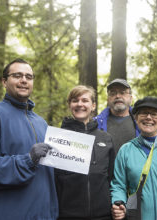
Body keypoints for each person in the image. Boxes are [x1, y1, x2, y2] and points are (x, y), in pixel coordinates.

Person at [0, 58, 58, 220]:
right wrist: (28, 160)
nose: (24, 80)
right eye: (17, 75)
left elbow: (48, 175)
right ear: (4, 81)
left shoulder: (42, 123)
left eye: (28, 77)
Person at [110, 96, 157, 220]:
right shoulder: (126, 150)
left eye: (154, 114)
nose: (149, 117)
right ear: (136, 118)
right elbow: (119, 185)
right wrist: (119, 203)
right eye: (144, 113)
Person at [55, 85, 115, 220]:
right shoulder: (58, 138)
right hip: (68, 215)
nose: (80, 104)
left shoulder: (106, 138)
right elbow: (53, 181)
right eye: (75, 100)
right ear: (70, 105)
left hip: (103, 215)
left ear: (93, 106)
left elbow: (112, 178)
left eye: (84, 100)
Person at [95, 78, 139, 155]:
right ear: (108, 99)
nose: (118, 96)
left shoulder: (141, 123)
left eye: (122, 92)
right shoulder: (96, 124)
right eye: (113, 93)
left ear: (131, 98)